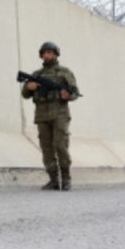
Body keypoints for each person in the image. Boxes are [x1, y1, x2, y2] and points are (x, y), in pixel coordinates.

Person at [20, 41, 80, 190]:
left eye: (50, 52)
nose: (47, 55)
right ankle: (53, 180)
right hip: (42, 115)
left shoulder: (64, 72)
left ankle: (66, 178)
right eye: (45, 53)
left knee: (60, 145)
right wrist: (28, 87)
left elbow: (75, 92)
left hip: (59, 113)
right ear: (41, 55)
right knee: (46, 148)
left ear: (55, 54)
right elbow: (25, 94)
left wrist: (68, 96)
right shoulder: (36, 74)